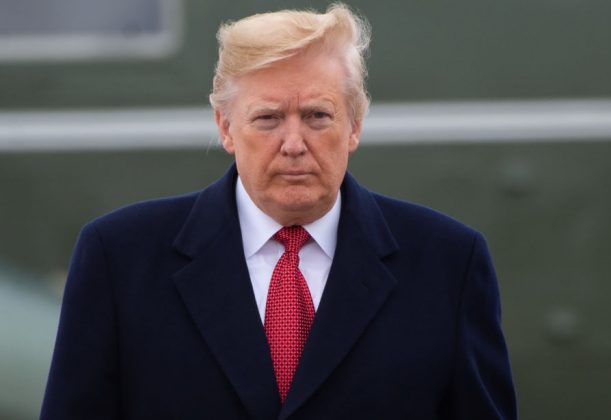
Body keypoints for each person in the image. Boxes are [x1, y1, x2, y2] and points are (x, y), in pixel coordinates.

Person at [40, 3, 517, 419]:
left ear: (354, 126)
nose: (293, 144)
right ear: (225, 128)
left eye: (317, 116)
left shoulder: (448, 264)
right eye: (267, 118)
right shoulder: (119, 259)